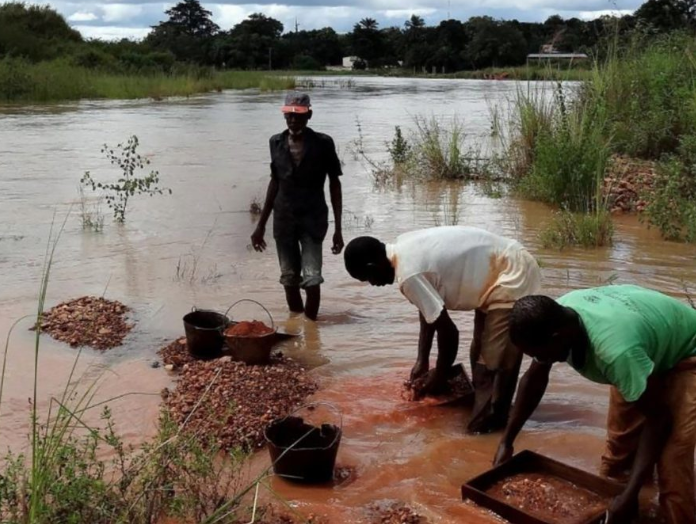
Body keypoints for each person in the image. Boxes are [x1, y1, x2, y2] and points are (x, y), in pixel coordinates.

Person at [494, 285, 696, 524]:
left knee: (672, 463)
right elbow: (535, 378)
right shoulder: (554, 319)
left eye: (541, 353)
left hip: (688, 355)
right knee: (617, 456)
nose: (541, 359)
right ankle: (627, 511)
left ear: (557, 338)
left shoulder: (615, 353)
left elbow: (659, 419)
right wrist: (507, 441)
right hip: (645, 348)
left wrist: (630, 494)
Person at [343, 226, 542, 433]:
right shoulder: (402, 247)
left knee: (490, 365)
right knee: (479, 354)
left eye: (367, 278)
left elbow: (449, 333)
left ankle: (485, 432)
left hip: (511, 274)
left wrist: (440, 374)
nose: (373, 284)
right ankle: (492, 410)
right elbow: (429, 310)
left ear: (372, 266)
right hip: (497, 272)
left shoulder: (408, 274)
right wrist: (422, 360)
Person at [251, 92, 343, 321]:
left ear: (309, 115)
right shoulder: (276, 142)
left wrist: (338, 229)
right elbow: (275, 182)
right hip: (284, 220)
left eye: (298, 115)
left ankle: (312, 329)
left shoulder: (323, 143)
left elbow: (334, 183)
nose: (293, 120)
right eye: (289, 115)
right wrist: (260, 225)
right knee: (289, 277)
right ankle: (295, 328)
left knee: (312, 278)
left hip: (313, 219)